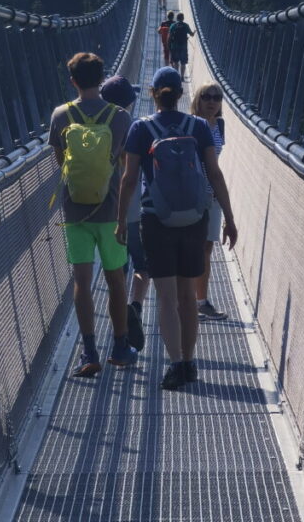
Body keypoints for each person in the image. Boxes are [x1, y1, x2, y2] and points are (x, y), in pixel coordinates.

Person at [117, 67, 238, 391]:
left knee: (166, 298)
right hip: (195, 220)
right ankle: (190, 362)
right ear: (182, 95)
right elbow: (214, 174)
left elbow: (129, 179)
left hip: (157, 219)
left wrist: (120, 222)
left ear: (153, 93)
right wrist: (229, 216)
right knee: (188, 296)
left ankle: (175, 366)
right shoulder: (198, 126)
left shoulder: (141, 129)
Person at [49, 52, 137, 377]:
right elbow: (128, 172)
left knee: (81, 283)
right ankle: (120, 346)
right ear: (102, 80)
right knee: (116, 280)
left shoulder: (60, 115)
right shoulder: (120, 117)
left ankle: (88, 352)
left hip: (75, 212)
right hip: (112, 211)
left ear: (72, 80)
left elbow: (62, 166)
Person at [100, 73, 148, 353]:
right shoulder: (133, 127)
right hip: (132, 210)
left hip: (101, 212)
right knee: (142, 267)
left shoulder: (86, 125)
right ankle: (136, 307)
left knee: (116, 273)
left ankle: (117, 337)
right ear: (129, 102)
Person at [190, 82, 228, 320]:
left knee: (206, 249)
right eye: (206, 96)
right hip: (192, 196)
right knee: (191, 248)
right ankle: (185, 301)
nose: (212, 101)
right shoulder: (191, 125)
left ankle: (201, 302)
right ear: (198, 99)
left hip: (212, 196)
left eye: (217, 97)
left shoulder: (220, 124)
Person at [168, 12, 195, 80]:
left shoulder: (173, 25)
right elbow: (191, 34)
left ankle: (177, 75)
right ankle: (182, 76)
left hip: (175, 46)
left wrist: (169, 46)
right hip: (183, 47)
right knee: (183, 62)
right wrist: (194, 31)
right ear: (183, 18)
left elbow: (170, 37)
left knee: (176, 62)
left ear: (177, 18)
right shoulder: (186, 25)